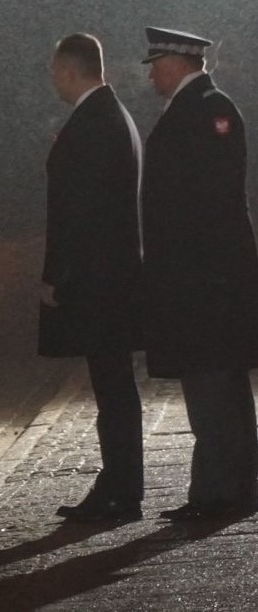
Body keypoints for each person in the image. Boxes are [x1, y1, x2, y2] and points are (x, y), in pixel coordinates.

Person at [140, 26, 258, 520]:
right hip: (205, 276)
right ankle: (231, 485)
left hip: (203, 280)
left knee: (213, 387)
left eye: (155, 65)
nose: (151, 76)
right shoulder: (200, 109)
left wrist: (182, 272)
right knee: (220, 384)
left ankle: (217, 493)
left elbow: (207, 202)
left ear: (176, 62)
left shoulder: (208, 110)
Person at [39, 33, 144, 522]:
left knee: (113, 388)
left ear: (69, 69)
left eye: (55, 70)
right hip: (111, 277)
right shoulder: (110, 116)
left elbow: (81, 212)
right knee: (114, 388)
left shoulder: (94, 123)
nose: (53, 79)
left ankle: (121, 489)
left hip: (101, 282)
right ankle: (120, 484)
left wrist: (59, 275)